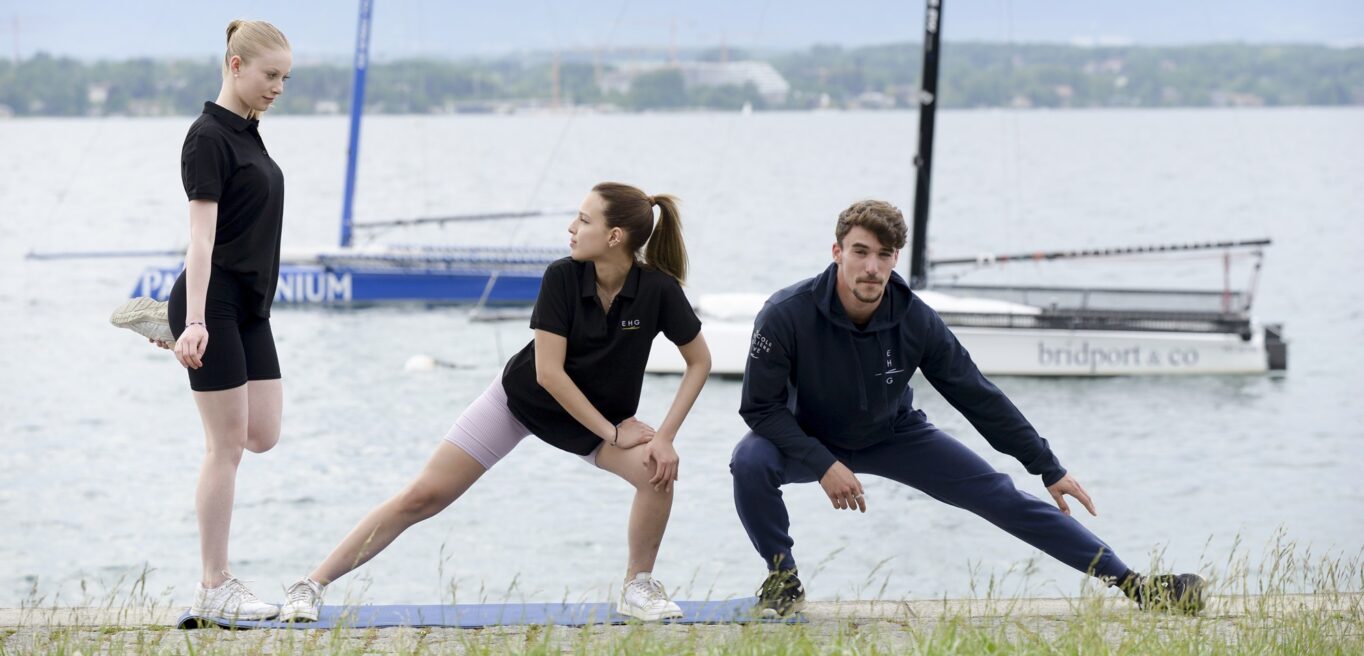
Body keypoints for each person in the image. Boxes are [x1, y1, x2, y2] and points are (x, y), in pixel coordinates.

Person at [731, 200, 1205, 617]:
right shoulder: (786, 314)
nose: (871, 267)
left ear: (897, 258)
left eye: (884, 255)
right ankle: (783, 580)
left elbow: (977, 395)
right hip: (808, 436)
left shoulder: (916, 320)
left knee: (1002, 496)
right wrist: (822, 462)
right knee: (750, 460)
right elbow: (760, 408)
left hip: (893, 434)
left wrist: (1047, 466)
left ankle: (1139, 587)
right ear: (837, 252)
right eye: (860, 252)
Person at [278, 182, 711, 622]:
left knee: (658, 472)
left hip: (594, 419)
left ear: (615, 236)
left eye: (583, 220)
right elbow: (549, 374)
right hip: (521, 402)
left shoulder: (657, 290)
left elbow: (700, 361)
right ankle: (310, 585)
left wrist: (666, 437)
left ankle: (638, 586)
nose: (571, 228)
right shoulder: (562, 277)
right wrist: (613, 432)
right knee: (422, 497)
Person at [163, 19, 293, 621]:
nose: (278, 87)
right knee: (225, 447)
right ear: (236, 66)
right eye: (270, 75)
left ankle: (169, 331)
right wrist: (194, 320)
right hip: (211, 302)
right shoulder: (207, 137)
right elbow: (200, 239)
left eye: (285, 79)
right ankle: (214, 585)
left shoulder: (250, 132)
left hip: (249, 307)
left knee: (262, 433)